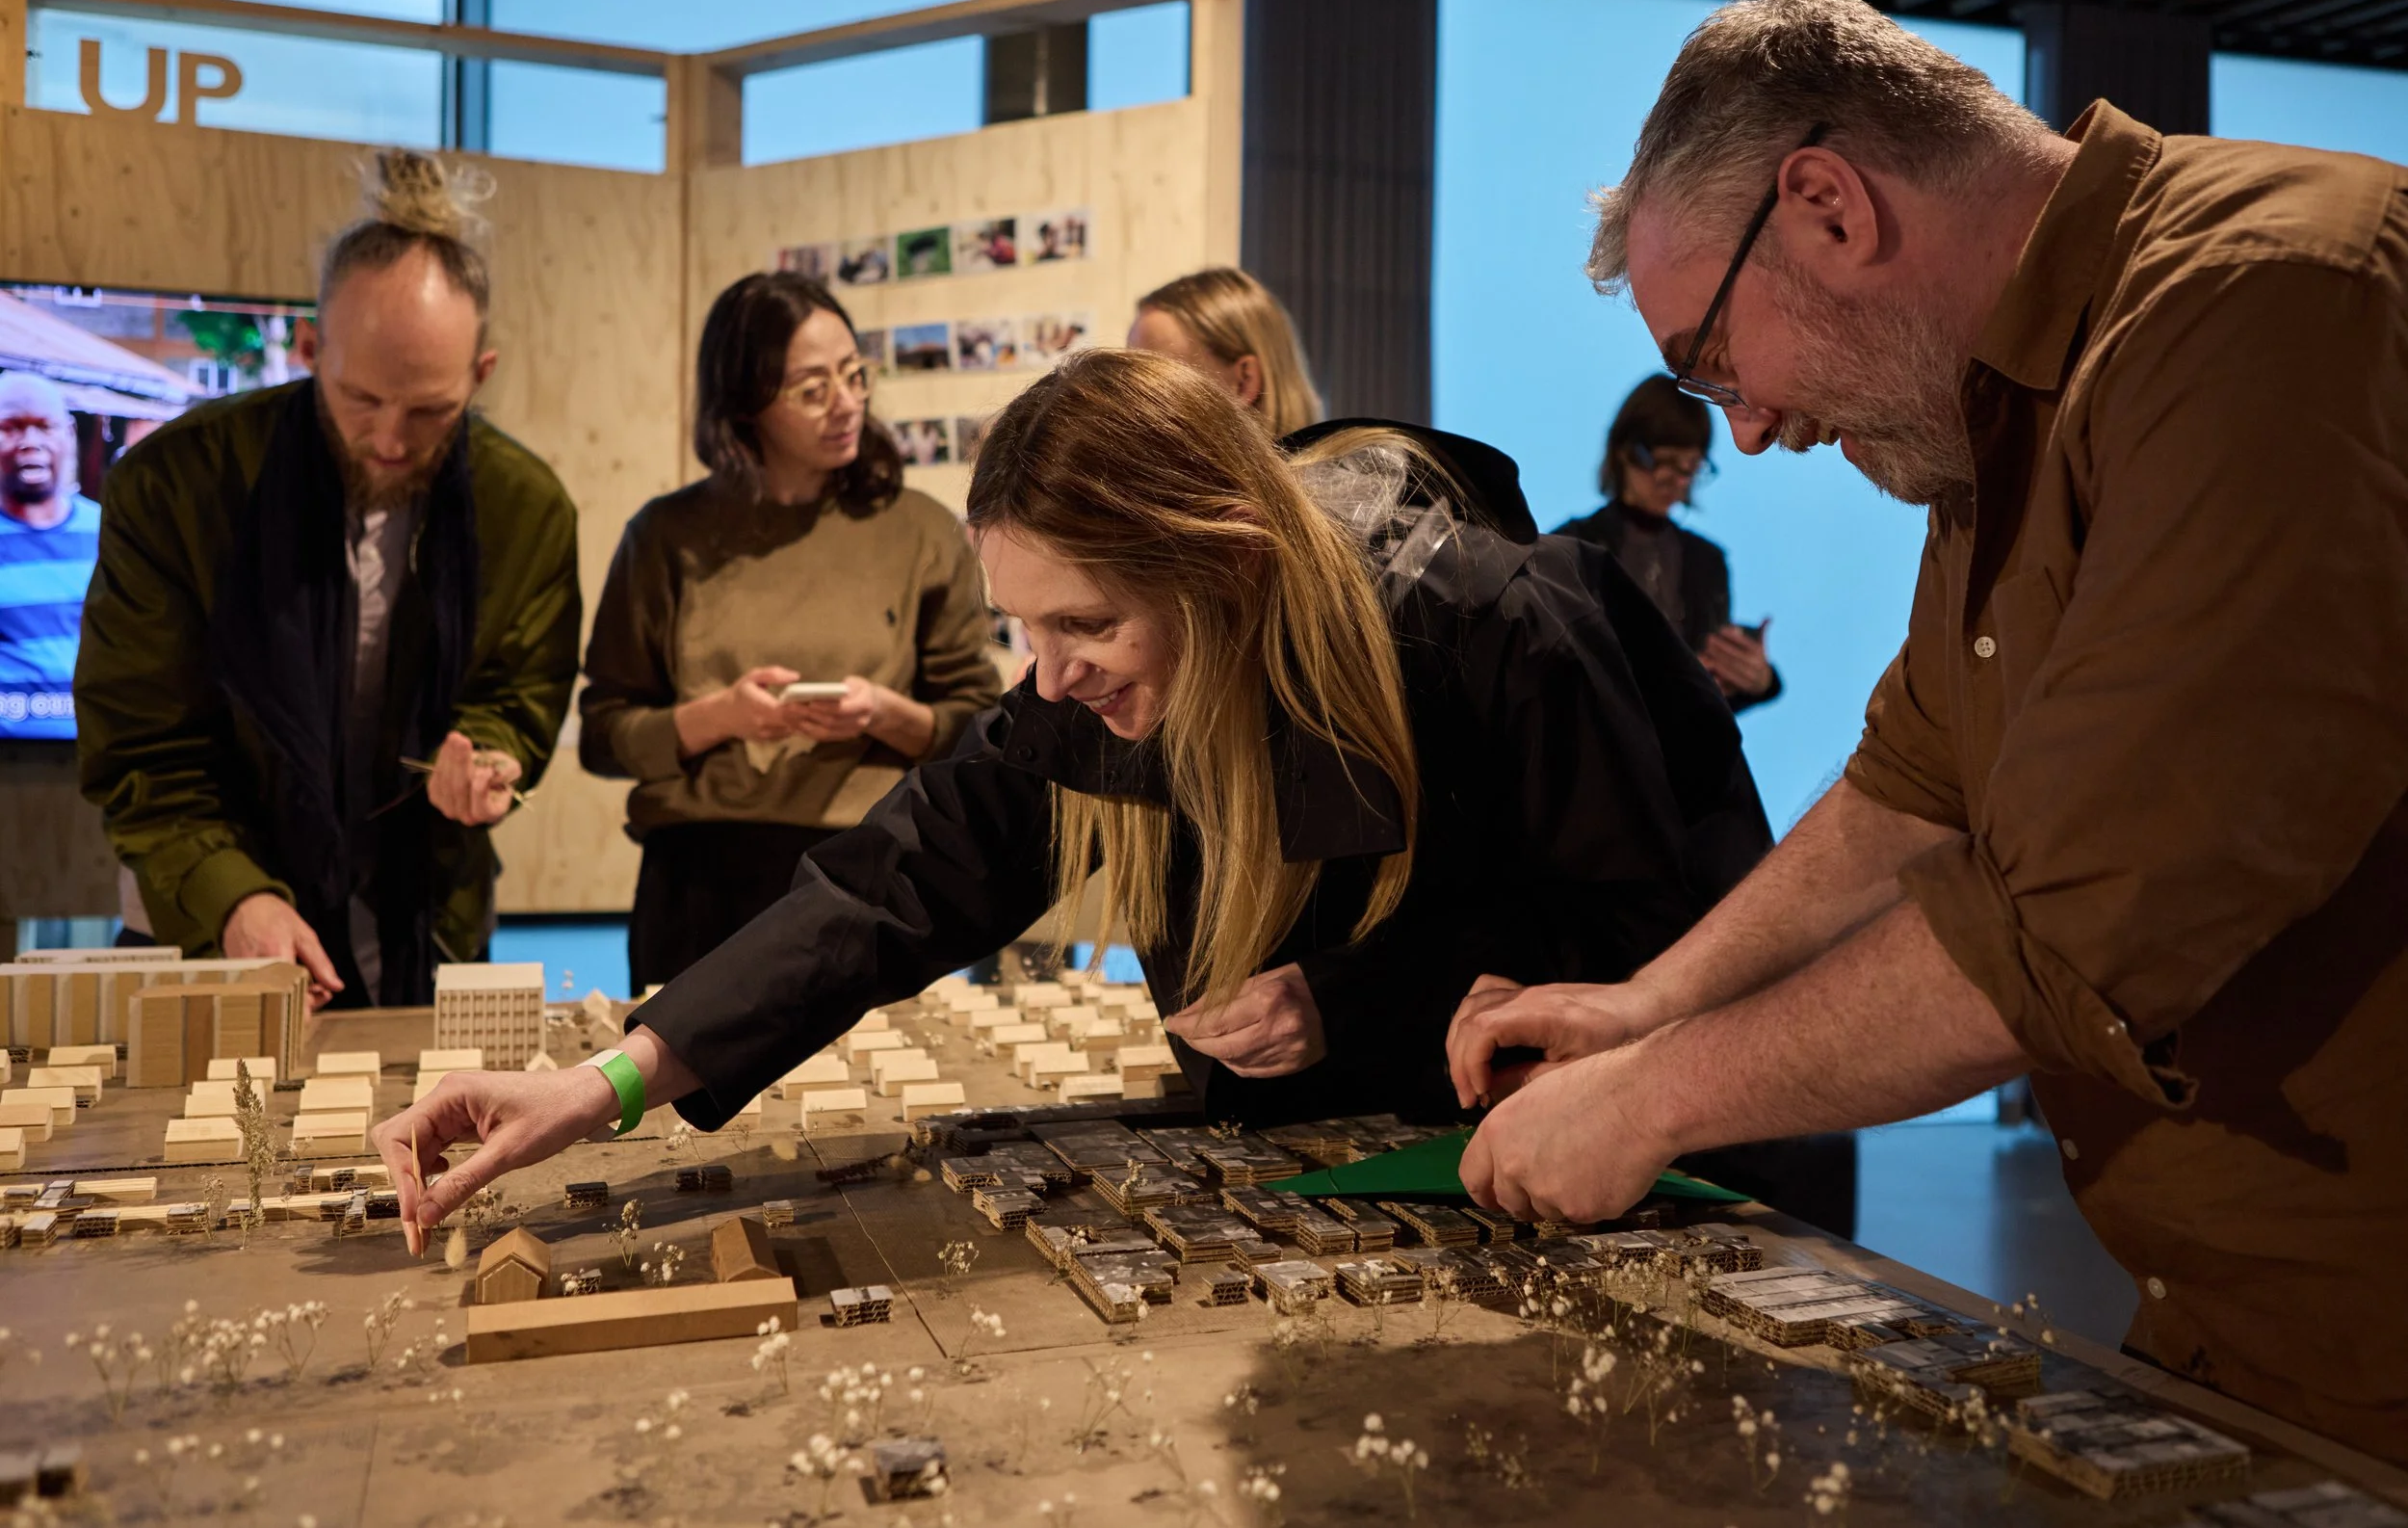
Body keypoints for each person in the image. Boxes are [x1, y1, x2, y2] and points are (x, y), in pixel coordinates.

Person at [1449, 0, 2408, 1462]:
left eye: (1714, 361)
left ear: (1828, 209)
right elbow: (1916, 781)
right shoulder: (1996, 410)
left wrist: (1651, 1099)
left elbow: (2068, 922)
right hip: (2239, 1331)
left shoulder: (2265, 300)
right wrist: (1652, 1002)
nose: (1747, 430)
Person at [377, 348, 1770, 1238]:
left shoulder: (1500, 627)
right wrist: (607, 1078)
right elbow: (893, 881)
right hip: (1341, 1160)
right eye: (1022, 628)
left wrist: (1354, 996)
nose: (1047, 678)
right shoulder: (1096, 678)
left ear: (1224, 564)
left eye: (1084, 626)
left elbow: (1641, 943)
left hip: (1592, 1154)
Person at [76, 149, 580, 1010]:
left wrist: (486, 756)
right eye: (359, 399)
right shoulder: (177, 485)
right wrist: (234, 893)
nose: (391, 439)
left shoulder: (525, 507)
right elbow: (142, 749)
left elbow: (517, 693)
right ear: (310, 349)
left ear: (481, 375)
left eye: (431, 412)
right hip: (208, 916)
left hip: (427, 927)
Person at [580, 272, 1004, 995]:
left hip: (870, 859)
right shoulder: (666, 537)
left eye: (854, 375)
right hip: (701, 876)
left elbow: (978, 723)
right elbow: (603, 734)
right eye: (811, 389)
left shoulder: (920, 533)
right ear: (745, 406)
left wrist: (883, 713)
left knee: (877, 1099)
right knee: (687, 1097)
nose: (847, 404)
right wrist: (724, 716)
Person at [1557, 375, 1780, 709]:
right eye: (1665, 465)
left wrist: (1757, 680)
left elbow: (1709, 705)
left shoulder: (1707, 561)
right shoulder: (1570, 548)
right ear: (1626, 452)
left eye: (1689, 468)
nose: (1676, 482)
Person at [0, 372, 98, 734]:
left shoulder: (111, 535)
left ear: (69, 435)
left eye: (45, 426)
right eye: (11, 427)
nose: (30, 442)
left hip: (90, 770)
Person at [1128, 267, 1324, 437]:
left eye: (1157, 379)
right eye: (1130, 373)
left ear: (1243, 381)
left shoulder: (1330, 479)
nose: (1129, 397)